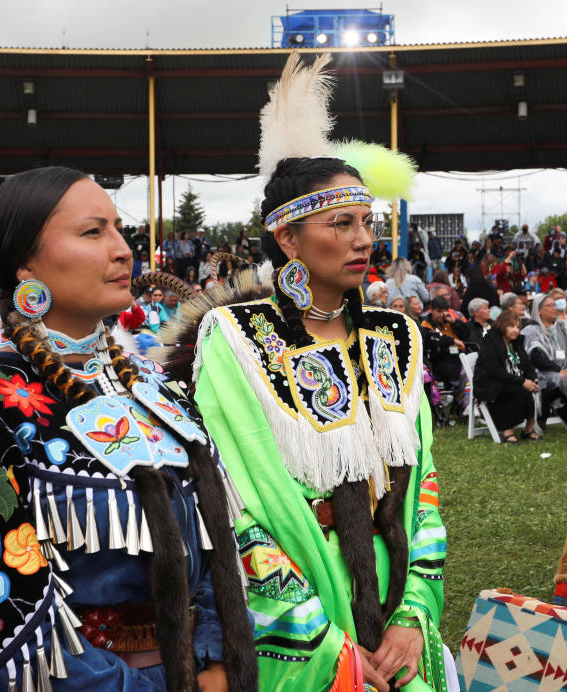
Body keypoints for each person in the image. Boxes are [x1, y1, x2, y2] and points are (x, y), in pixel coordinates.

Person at [171, 53, 450, 692]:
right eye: (341, 224)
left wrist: (412, 612)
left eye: (367, 223)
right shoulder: (236, 339)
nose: (362, 240)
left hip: (396, 593)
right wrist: (322, 641)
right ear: (289, 240)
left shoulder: (396, 335)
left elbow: (424, 485)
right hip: (299, 610)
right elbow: (235, 496)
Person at [0, 166, 255, 692]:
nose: (123, 250)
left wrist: (217, 658)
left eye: (119, 229)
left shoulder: (153, 389)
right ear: (25, 262)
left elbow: (220, 541)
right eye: (93, 232)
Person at [474, 309, 540, 443]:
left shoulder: (516, 342)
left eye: (518, 327)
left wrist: (533, 378)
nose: (516, 330)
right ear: (502, 325)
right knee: (517, 389)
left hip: (511, 380)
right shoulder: (490, 340)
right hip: (489, 383)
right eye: (512, 326)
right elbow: (494, 370)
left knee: (536, 388)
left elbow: (527, 364)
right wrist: (522, 381)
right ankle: (507, 432)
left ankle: (528, 429)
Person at [523, 292, 567, 429]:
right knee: (561, 378)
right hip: (540, 374)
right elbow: (535, 357)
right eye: (549, 305)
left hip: (564, 368)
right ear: (539, 310)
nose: (554, 308)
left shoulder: (561, 326)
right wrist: (559, 370)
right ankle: (545, 408)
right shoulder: (531, 330)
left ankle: (565, 409)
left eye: (555, 305)